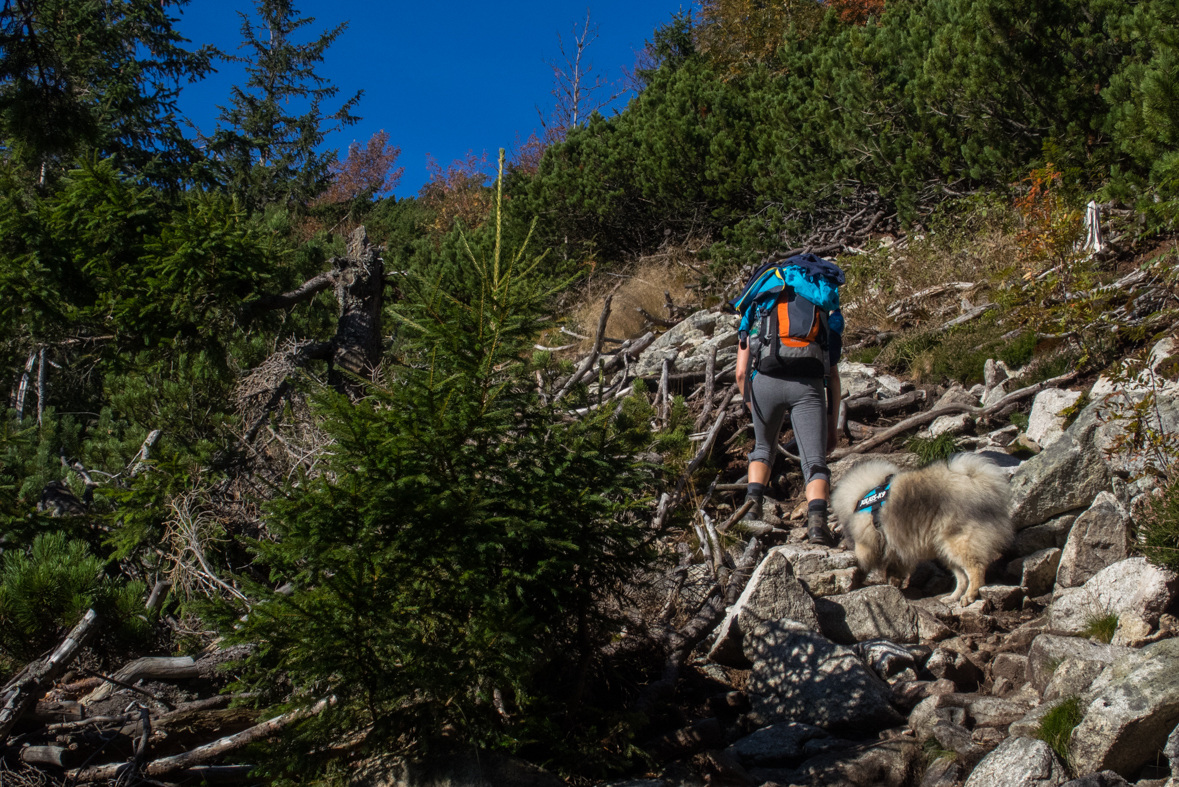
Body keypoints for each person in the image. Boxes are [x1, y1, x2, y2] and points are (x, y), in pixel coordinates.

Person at [733, 260, 843, 547]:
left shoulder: (759, 300)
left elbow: (741, 372)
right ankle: (818, 527)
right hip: (808, 385)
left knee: (762, 449)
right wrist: (832, 426)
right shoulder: (819, 301)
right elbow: (832, 375)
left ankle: (750, 513)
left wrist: (750, 402)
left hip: (765, 382)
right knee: (815, 463)